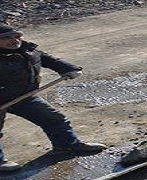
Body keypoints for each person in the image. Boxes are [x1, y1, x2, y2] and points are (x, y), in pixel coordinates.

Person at [0, 24, 106, 172]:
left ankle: (67, 144)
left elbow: (48, 59)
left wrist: (68, 68)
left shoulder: (27, 49)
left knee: (53, 119)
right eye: (6, 38)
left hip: (23, 96)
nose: (14, 40)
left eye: (17, 36)